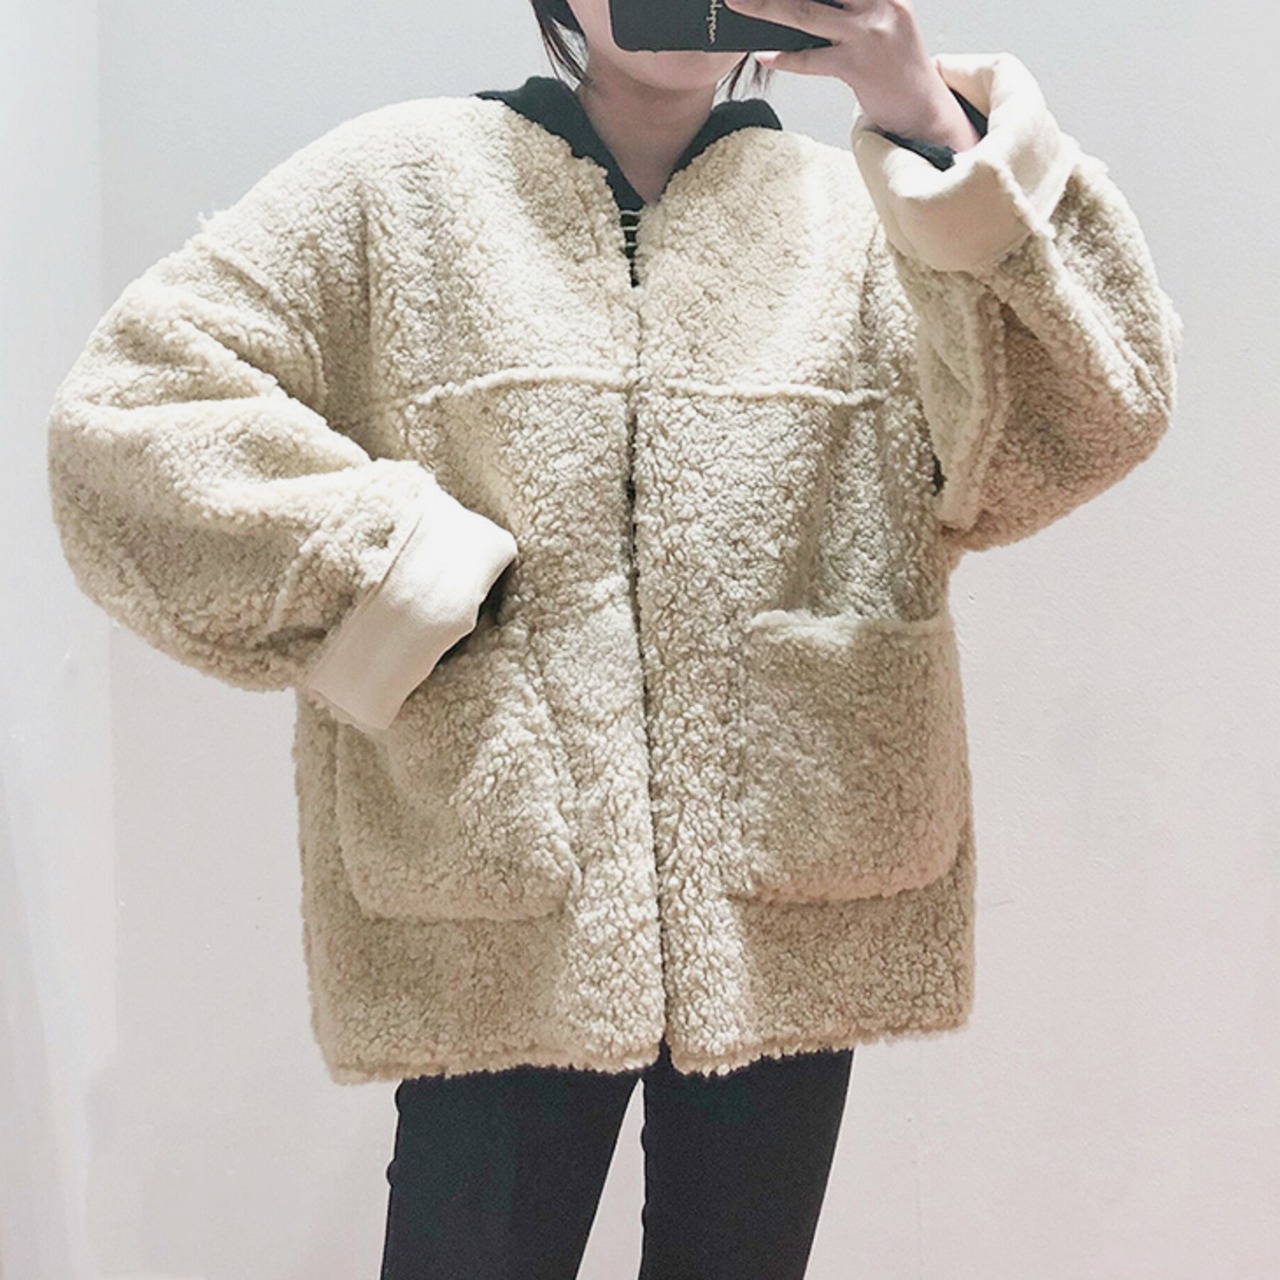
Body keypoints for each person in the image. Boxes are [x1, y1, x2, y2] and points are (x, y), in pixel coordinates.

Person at [45, 0, 1183, 1274]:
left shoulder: (865, 217)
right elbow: (127, 419)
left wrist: (924, 120)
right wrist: (400, 577)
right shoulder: (400, 187)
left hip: (788, 886)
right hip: (497, 881)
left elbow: (1094, 407)